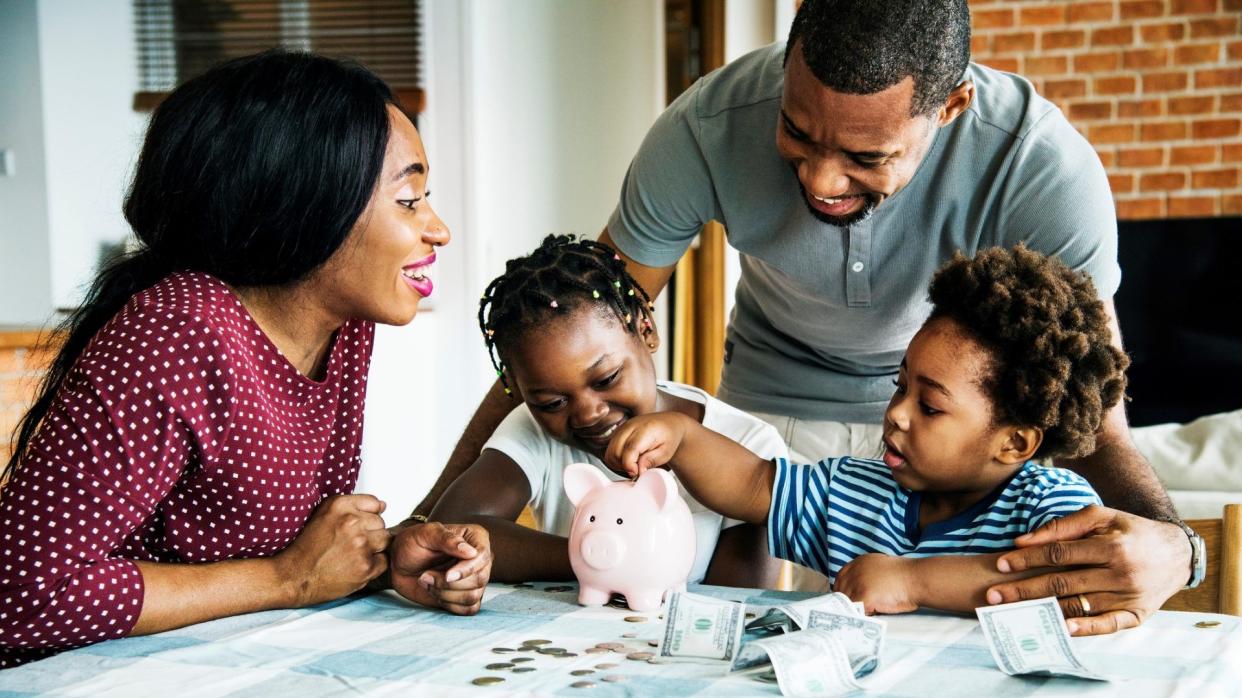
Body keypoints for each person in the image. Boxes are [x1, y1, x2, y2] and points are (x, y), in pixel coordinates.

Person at [409, 0, 1196, 635]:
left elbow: (1100, 428)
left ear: (952, 106)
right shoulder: (703, 131)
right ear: (787, 69)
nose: (821, 179)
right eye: (798, 131)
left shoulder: (1042, 168)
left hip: (960, 426)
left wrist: (1178, 548)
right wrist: (419, 528)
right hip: (771, 415)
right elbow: (576, 325)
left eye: (867, 157)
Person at [0, 51, 492, 668]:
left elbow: (283, 549)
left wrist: (384, 557)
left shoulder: (342, 328)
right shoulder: (177, 332)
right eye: (409, 199)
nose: (438, 229)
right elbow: (20, 595)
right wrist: (287, 580)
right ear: (308, 203)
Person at [607, 246, 1125, 626]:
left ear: (1014, 443)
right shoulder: (854, 491)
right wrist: (681, 437)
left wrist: (911, 580)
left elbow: (1062, 585)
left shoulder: (1053, 507)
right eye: (900, 388)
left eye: (930, 406)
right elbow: (753, 485)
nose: (897, 414)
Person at [427, 235, 786, 587]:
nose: (587, 414)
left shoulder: (749, 444)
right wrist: (592, 555)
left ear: (646, 329)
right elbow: (450, 529)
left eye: (607, 378)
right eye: (552, 402)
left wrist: (610, 557)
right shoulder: (533, 427)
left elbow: (738, 600)